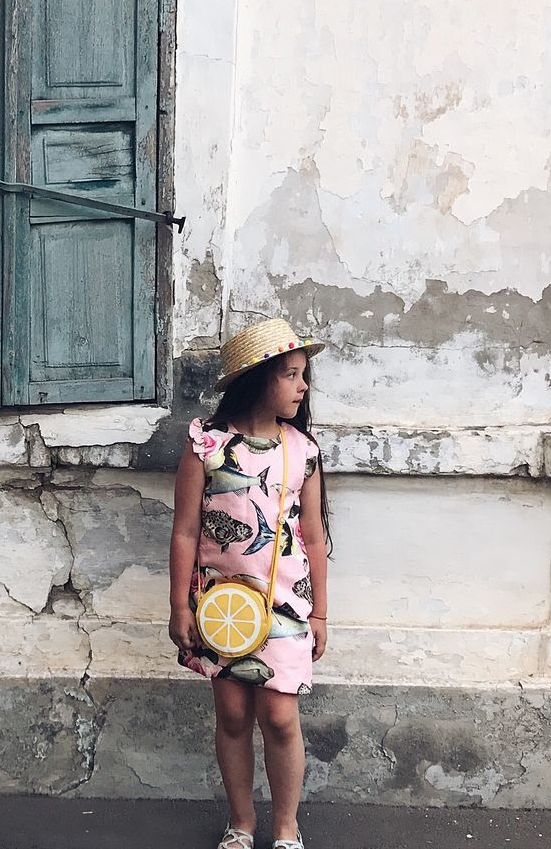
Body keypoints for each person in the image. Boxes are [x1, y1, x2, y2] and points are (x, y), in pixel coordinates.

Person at [169, 318, 332, 849]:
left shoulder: (301, 452)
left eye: (303, 375)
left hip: (286, 606)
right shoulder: (207, 447)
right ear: (260, 378)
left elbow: (312, 537)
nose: (302, 386)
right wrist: (179, 607)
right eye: (291, 375)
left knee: (280, 716)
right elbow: (186, 531)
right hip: (222, 608)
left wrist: (321, 614)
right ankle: (242, 823)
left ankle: (287, 827)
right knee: (234, 713)